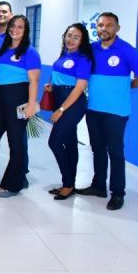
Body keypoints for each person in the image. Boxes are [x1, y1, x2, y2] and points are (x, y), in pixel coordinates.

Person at [76, 12, 138, 210]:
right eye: (100, 25)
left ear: (117, 28)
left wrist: (127, 87)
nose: (104, 29)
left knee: (115, 152)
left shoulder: (126, 50)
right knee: (97, 149)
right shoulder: (91, 49)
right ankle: (98, 185)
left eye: (109, 25)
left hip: (116, 112)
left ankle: (118, 193)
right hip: (94, 110)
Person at [0, 15, 41, 198]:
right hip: (0, 100)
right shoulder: (1, 47)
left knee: (16, 142)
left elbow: (34, 81)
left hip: (18, 99)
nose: (15, 29)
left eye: (20, 27)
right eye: (13, 26)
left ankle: (14, 183)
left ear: (25, 30)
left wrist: (30, 105)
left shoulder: (30, 51)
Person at [45, 23, 93, 200]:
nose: (71, 39)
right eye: (69, 35)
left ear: (82, 40)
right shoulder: (64, 54)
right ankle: (70, 183)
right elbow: (58, 74)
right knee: (71, 142)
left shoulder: (84, 58)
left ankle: (67, 183)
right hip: (59, 96)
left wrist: (62, 109)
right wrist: (51, 86)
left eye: (76, 37)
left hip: (73, 103)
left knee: (55, 142)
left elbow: (80, 87)